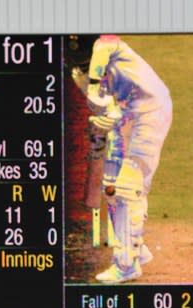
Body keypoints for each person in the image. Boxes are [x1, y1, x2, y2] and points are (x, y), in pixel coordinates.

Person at [69, 34, 172, 284]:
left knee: (128, 186)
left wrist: (94, 85)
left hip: (150, 111)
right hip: (126, 115)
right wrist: (105, 122)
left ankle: (126, 265)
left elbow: (103, 48)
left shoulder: (108, 44)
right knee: (112, 186)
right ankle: (135, 246)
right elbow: (107, 111)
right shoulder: (77, 72)